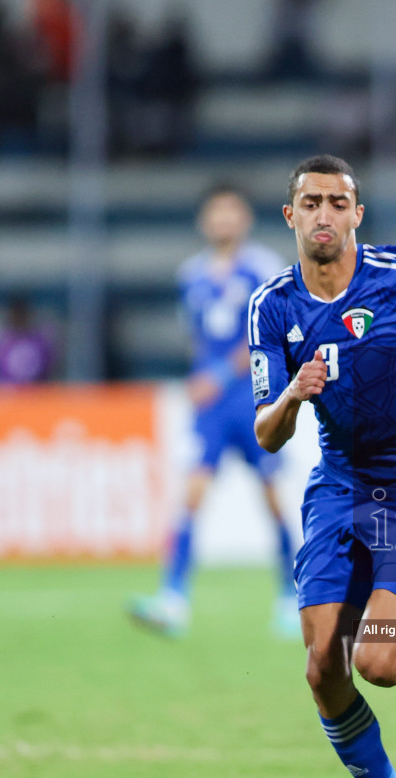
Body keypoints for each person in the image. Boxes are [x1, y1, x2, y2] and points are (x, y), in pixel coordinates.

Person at [250, 155, 396, 778]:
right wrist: (292, 395)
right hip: (338, 482)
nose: (323, 215)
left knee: (375, 662)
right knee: (321, 668)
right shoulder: (272, 307)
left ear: (357, 214)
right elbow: (268, 435)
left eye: (337, 202)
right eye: (310, 202)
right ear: (290, 216)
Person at [129, 182, 297, 639]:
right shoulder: (192, 275)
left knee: (272, 498)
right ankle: (173, 599)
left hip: (253, 399)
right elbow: (199, 337)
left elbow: (269, 335)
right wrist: (204, 377)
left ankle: (291, 596)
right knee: (192, 495)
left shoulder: (264, 269)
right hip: (211, 407)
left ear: (244, 219)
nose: (223, 221)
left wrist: (218, 376)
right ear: (205, 221)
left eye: (231, 212)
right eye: (215, 213)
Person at [0, 294, 54, 385]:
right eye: (15, 314)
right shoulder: (0, 343)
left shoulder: (40, 343)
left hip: (36, 396)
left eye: (20, 314)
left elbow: (48, 375)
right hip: (7, 396)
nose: (17, 318)